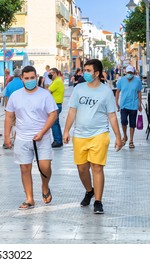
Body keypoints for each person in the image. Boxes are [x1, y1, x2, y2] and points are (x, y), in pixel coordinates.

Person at [63, 59, 122, 214]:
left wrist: (118, 136)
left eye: (89, 70)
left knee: (97, 167)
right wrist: (66, 131)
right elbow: (72, 111)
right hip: (80, 135)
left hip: (99, 134)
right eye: (85, 70)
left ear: (96, 73)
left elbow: (112, 116)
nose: (85, 73)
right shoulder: (79, 89)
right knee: (82, 168)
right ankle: (89, 191)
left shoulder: (106, 91)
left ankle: (98, 201)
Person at [4, 65, 58, 210]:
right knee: (25, 168)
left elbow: (53, 114)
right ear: (21, 78)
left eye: (32, 78)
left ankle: (45, 187)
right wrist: (7, 137)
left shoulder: (45, 95)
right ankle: (29, 198)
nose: (29, 81)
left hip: (43, 137)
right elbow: (9, 116)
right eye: (26, 78)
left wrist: (42, 132)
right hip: (22, 137)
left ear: (36, 77)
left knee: (45, 166)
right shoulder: (16, 96)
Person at [115, 65, 143, 149]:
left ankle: (131, 140)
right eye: (128, 72)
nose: (129, 74)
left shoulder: (137, 81)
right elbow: (117, 92)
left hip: (133, 105)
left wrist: (139, 103)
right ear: (125, 72)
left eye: (131, 73)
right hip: (124, 104)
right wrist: (116, 102)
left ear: (133, 73)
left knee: (132, 123)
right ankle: (125, 136)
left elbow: (139, 92)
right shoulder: (121, 81)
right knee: (123, 121)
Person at [48, 67, 65, 148]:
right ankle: (59, 140)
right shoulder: (57, 81)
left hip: (55, 105)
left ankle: (57, 141)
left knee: (54, 124)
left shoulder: (57, 81)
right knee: (56, 123)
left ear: (55, 73)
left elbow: (48, 91)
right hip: (57, 104)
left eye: (50, 73)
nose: (49, 75)